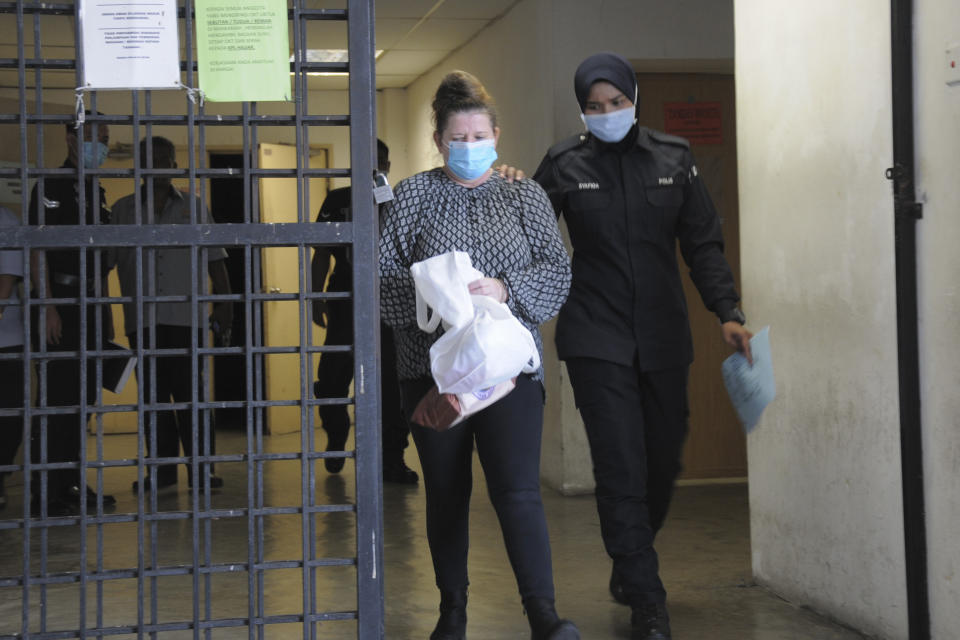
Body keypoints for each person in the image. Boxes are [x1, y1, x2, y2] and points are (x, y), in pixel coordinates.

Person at [532, 52, 753, 640]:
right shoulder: (562, 163)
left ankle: (631, 560)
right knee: (620, 466)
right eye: (594, 106)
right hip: (595, 337)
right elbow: (525, 233)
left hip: (661, 336)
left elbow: (703, 244)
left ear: (635, 99)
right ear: (583, 109)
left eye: (617, 102)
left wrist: (727, 312)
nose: (607, 113)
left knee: (663, 461)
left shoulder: (674, 160)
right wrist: (505, 193)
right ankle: (646, 595)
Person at [380, 70, 579, 640]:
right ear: (439, 140)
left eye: (478, 136)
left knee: (517, 491)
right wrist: (431, 303)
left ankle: (543, 614)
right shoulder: (414, 196)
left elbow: (556, 269)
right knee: (446, 492)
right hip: (432, 372)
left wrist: (505, 289)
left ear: (496, 133)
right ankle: (453, 613)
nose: (469, 148)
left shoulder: (525, 194)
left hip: (507, 376)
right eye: (456, 138)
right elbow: (385, 275)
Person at [111, 136, 232, 493]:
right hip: (142, 320)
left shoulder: (194, 208)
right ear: (141, 165)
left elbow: (216, 260)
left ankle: (202, 472)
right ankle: (161, 473)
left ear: (175, 162)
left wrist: (225, 306)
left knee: (192, 398)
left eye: (167, 158)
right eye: (154, 159)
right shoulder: (122, 210)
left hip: (187, 318)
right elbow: (103, 263)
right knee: (153, 400)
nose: (161, 165)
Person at [311, 139, 419, 484]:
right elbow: (322, 254)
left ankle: (392, 458)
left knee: (390, 384)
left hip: (390, 300)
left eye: (381, 161)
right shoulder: (338, 199)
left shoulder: (399, 200)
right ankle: (338, 429)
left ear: (388, 165)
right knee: (330, 379)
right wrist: (316, 298)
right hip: (345, 300)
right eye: (368, 161)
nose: (376, 168)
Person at [28, 113, 118, 514]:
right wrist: (47, 305)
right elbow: (39, 248)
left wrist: (104, 307)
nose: (98, 145)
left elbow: (100, 257)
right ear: (68, 137)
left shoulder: (94, 189)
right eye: (90, 137)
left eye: (104, 138)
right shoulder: (51, 185)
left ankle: (70, 485)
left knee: (82, 402)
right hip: (60, 303)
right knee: (58, 401)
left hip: (90, 302)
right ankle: (46, 492)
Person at [0, 205, 25, 509]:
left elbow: (4, 285)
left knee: (7, 416)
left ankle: (0, 480)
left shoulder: (4, 220)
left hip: (5, 339)